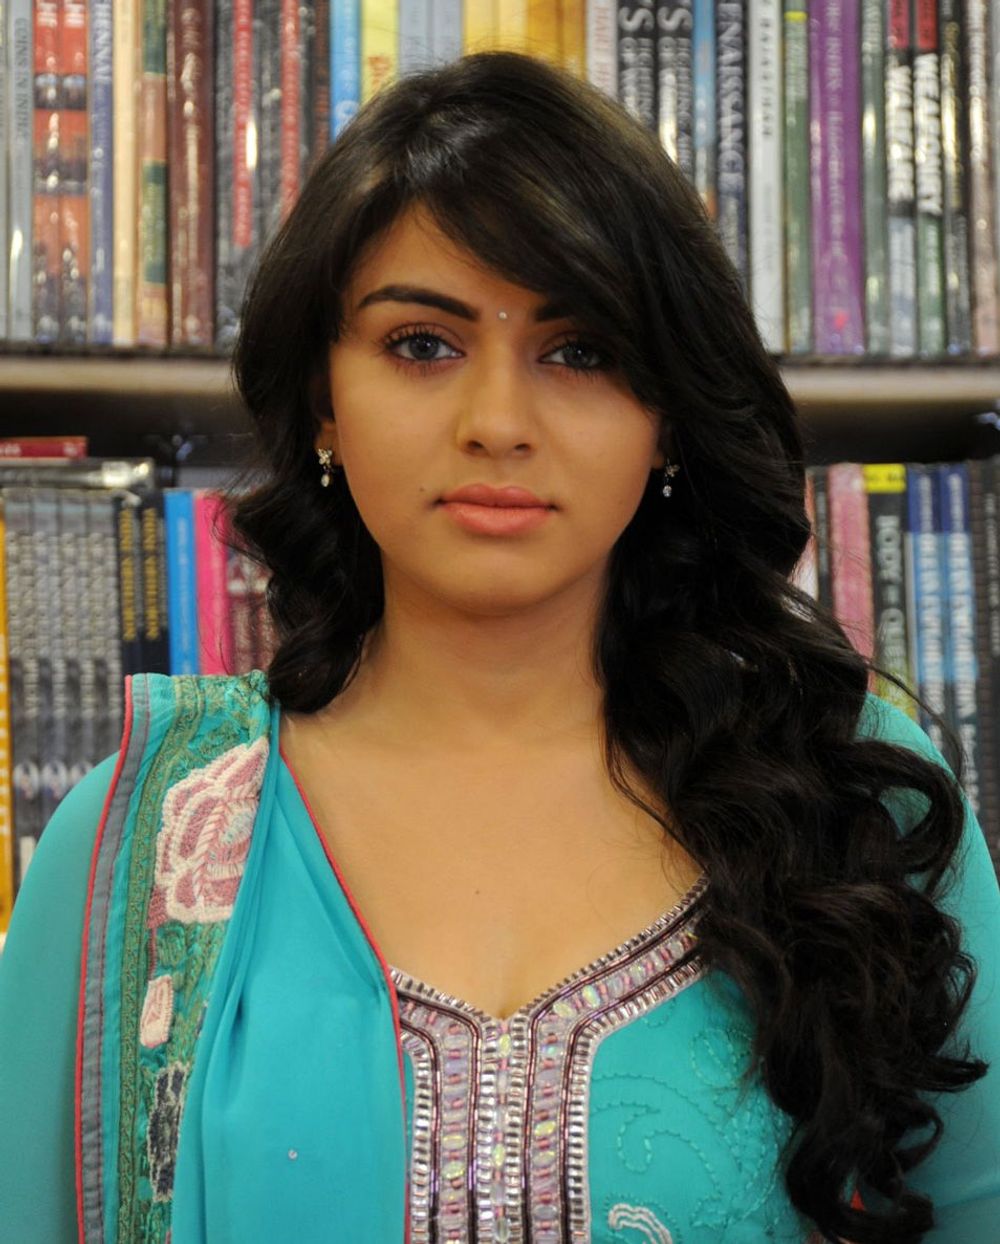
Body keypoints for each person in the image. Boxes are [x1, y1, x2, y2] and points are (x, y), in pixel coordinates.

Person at [1, 50, 998, 1244]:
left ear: (667, 417)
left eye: (581, 350)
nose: (497, 423)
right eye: (422, 343)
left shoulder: (850, 799)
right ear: (323, 399)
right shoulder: (145, 840)